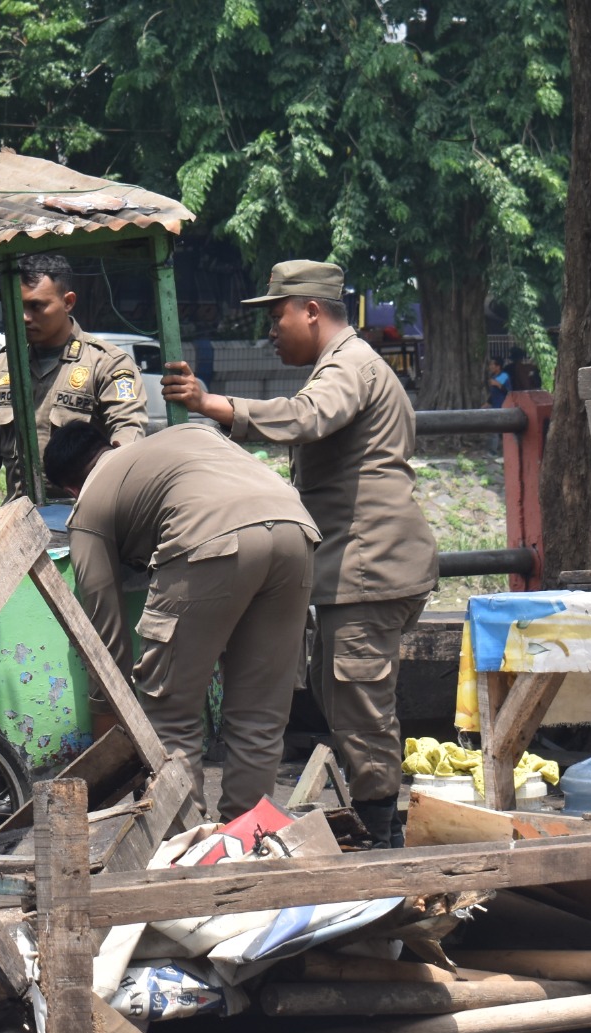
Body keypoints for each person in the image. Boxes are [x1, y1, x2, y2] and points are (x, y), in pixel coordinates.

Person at [161, 260, 438, 847]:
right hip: (359, 568)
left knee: (359, 709)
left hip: (370, 567)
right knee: (348, 701)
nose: (271, 329)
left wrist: (216, 406)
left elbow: (309, 417)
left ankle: (383, 848)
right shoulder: (347, 364)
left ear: (311, 310)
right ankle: (378, 834)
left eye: (277, 313)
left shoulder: (350, 365)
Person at [46, 422, 318, 819]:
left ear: (69, 489)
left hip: (209, 540)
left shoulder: (89, 502)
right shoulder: (187, 436)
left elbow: (104, 634)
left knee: (169, 714)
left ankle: (186, 842)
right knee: (261, 715)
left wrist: (107, 713)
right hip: (297, 531)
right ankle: (248, 839)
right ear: (111, 444)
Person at [0, 253, 148, 513]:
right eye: (17, 305)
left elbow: (127, 441)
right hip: (18, 519)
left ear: (68, 302)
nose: (24, 317)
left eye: (36, 306)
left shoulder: (107, 364)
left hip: (84, 516)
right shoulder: (4, 366)